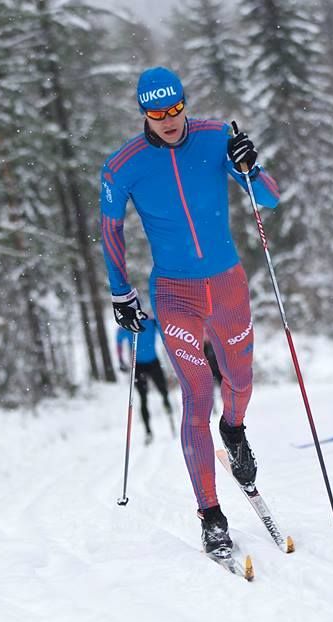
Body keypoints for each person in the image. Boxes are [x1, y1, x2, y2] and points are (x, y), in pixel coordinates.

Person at [99, 67, 280, 556]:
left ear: (184, 103)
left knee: (240, 382)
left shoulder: (216, 137)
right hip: (175, 295)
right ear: (144, 113)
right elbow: (111, 232)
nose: (169, 120)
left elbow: (270, 198)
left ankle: (235, 430)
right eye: (157, 113)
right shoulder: (123, 166)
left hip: (227, 285)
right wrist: (121, 293)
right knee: (196, 394)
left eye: (175, 108)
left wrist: (250, 166)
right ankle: (211, 516)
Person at [116, 315, 174, 445]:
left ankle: (167, 405)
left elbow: (166, 331)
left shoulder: (151, 322)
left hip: (154, 363)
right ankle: (148, 432)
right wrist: (120, 360)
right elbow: (118, 340)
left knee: (163, 391)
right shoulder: (129, 324)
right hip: (138, 365)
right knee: (143, 398)